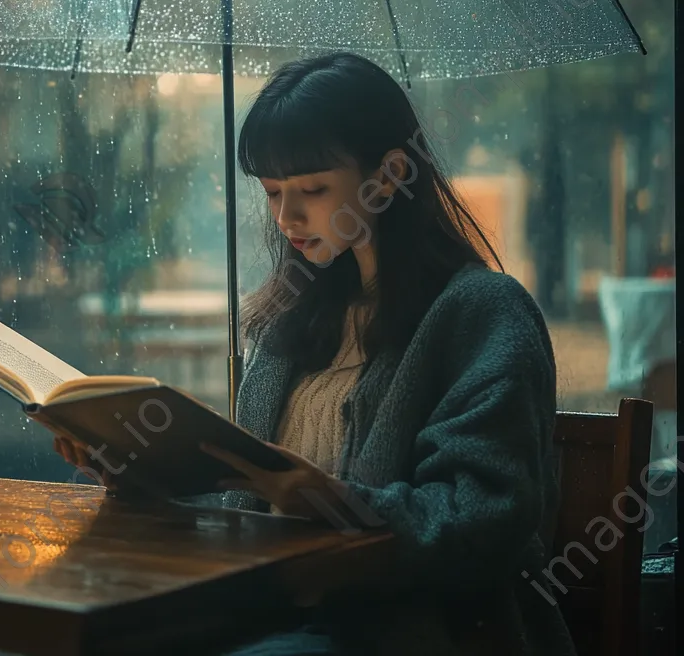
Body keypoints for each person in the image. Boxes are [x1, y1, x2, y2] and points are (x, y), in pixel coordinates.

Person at [55, 52, 574, 656]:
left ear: (389, 175)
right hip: (265, 614)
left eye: (313, 189)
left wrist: (335, 503)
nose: (287, 217)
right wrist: (140, 476)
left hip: (405, 631)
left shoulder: (482, 313)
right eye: (273, 192)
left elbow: (484, 518)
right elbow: (240, 506)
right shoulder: (294, 319)